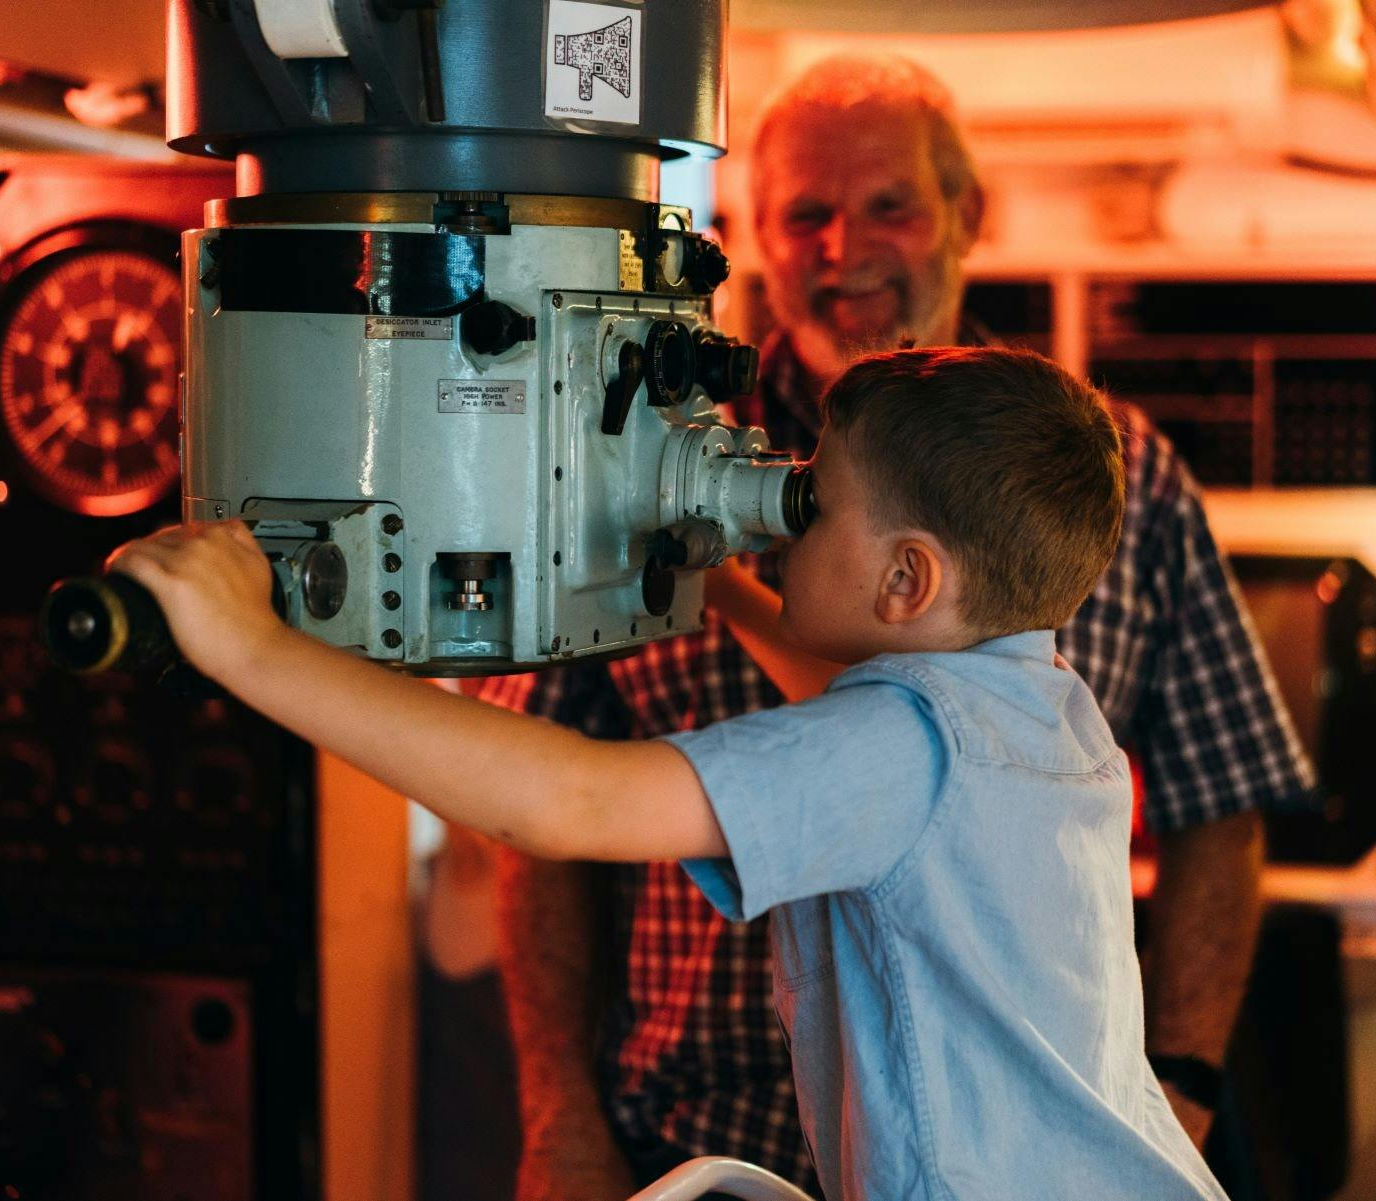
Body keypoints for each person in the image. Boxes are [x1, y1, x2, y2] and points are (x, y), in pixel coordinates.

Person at [108, 345, 1227, 1201]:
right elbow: (848, 684)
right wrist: (717, 577)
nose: (785, 523)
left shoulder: (902, 748)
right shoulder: (1039, 709)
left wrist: (249, 647)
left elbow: (567, 800)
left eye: (812, 503)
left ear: (905, 578)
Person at [481, 54, 1314, 1199]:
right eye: (806, 215)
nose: (842, 247)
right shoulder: (652, 457)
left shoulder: (1105, 481)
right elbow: (538, 844)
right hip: (693, 1134)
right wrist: (556, 1111)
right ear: (759, 238)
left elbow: (1221, 803)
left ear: (966, 215)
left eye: (888, 205)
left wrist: (1167, 1088)